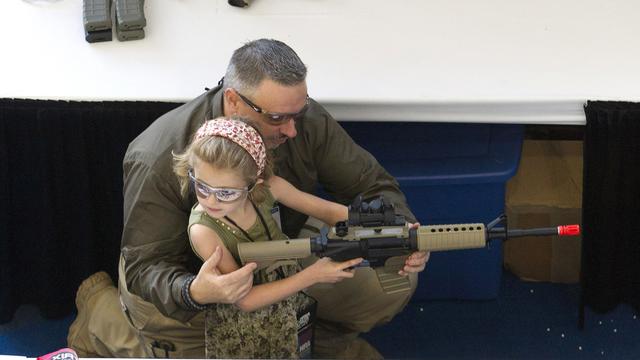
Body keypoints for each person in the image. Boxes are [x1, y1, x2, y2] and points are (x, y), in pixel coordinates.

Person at [67, 38, 429, 359]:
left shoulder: (297, 118)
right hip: (193, 292)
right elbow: (146, 267)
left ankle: (317, 341)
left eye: (297, 114)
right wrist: (196, 291)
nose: (292, 130)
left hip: (275, 254)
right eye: (276, 118)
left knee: (389, 274)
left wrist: (399, 232)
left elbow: (370, 184)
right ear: (233, 101)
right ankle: (103, 317)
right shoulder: (158, 155)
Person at [175, 117, 363, 357]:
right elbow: (245, 300)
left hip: (285, 304)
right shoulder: (204, 230)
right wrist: (314, 274)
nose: (211, 200)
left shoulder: (270, 188)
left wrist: (395, 228)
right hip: (245, 330)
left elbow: (329, 212)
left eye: (226, 192)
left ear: (255, 184)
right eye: (202, 187)